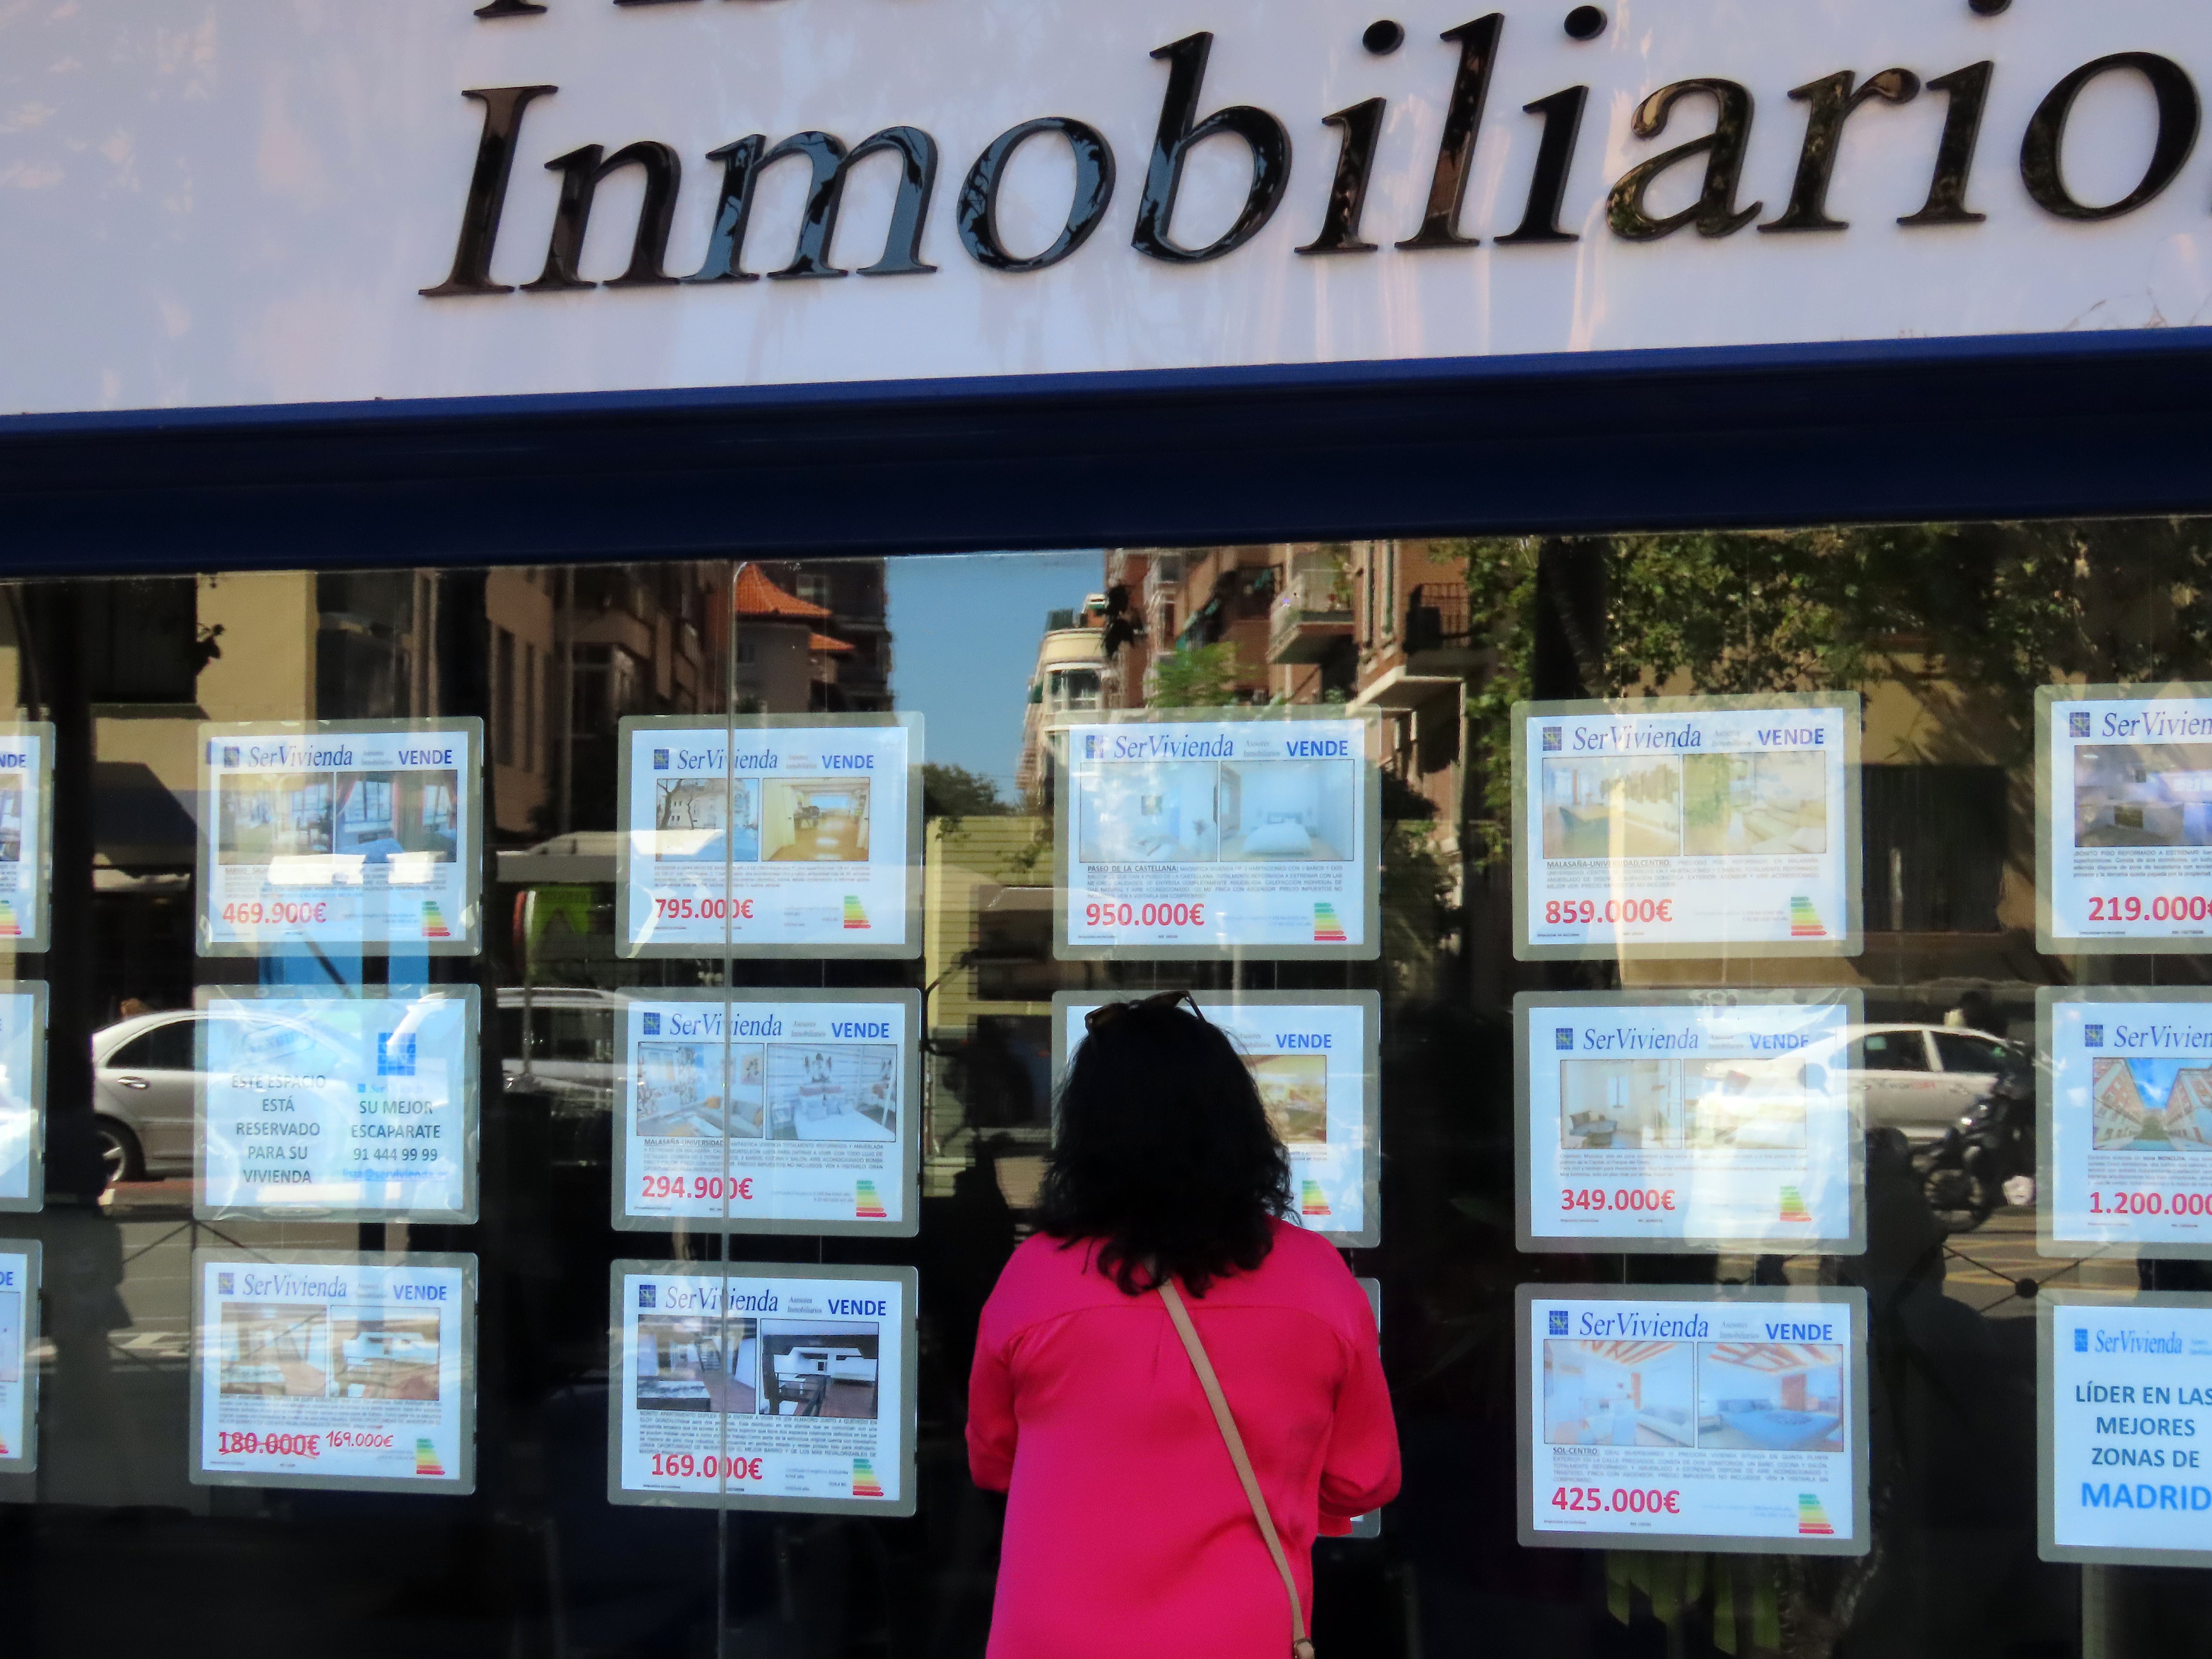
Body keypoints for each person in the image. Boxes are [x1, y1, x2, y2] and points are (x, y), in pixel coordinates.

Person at [967, 991, 1400, 1659]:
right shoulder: (1317, 1279)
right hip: (1239, 1635)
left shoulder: (1034, 1277)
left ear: (1086, 1132)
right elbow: (1364, 1478)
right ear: (1239, 1125)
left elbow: (994, 1457)